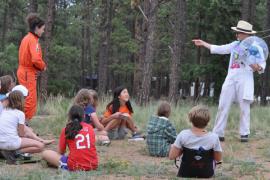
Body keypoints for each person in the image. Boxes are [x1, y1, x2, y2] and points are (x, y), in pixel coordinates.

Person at [192, 20, 266, 142]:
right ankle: (218, 132)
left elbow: (261, 66)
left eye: (239, 33)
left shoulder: (255, 47)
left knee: (244, 106)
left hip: (245, 77)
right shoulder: (235, 45)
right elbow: (221, 49)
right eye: (236, 33)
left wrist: (255, 66)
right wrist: (204, 43)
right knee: (223, 104)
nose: (237, 35)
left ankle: (244, 133)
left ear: (247, 34)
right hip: (231, 77)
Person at [169, 105, 222, 178]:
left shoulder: (183, 134)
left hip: (185, 173)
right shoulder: (214, 137)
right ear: (208, 121)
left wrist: (180, 150)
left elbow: (172, 156)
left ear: (190, 119)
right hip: (207, 174)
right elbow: (218, 159)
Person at [42, 105, 98, 171]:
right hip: (93, 165)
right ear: (84, 116)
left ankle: (60, 164)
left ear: (69, 117)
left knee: (45, 153)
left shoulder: (67, 129)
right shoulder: (90, 127)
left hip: (75, 166)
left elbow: (61, 152)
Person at [17, 13, 47, 121]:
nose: (43, 31)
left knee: (26, 97)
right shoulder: (33, 41)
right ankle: (24, 125)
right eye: (42, 29)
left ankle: (23, 124)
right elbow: (35, 59)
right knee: (30, 99)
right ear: (37, 28)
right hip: (27, 72)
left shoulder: (27, 38)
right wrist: (43, 66)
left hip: (25, 71)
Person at [0, 91, 44, 156]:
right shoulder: (20, 114)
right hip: (12, 143)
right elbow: (21, 134)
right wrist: (28, 135)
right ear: (20, 101)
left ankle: (4, 151)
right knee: (40, 146)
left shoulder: (3, 111)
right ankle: (15, 152)